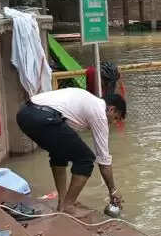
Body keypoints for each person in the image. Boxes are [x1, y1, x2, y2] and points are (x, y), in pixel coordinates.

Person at [16, 87, 126, 217]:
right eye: (115, 118)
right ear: (111, 109)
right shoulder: (100, 114)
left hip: (25, 114)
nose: (112, 123)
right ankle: (68, 206)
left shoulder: (88, 101)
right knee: (86, 160)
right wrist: (113, 190)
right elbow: (103, 160)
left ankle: (63, 201)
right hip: (43, 117)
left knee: (59, 153)